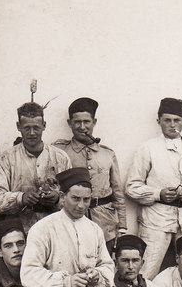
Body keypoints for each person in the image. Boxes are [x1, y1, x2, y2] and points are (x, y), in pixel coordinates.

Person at [125, 97, 182, 279]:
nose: (172, 125)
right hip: (156, 220)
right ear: (159, 121)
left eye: (177, 120)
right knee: (146, 270)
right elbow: (132, 186)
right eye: (167, 120)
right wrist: (158, 194)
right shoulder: (148, 149)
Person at [53, 97, 128, 251]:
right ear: (69, 123)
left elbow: (117, 192)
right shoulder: (60, 151)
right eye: (77, 122)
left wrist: (122, 227)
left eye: (86, 122)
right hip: (70, 220)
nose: (82, 127)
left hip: (104, 224)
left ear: (94, 122)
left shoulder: (107, 154)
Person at [0, 101, 72, 233]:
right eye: (27, 128)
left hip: (55, 230)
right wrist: (21, 198)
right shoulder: (7, 159)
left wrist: (57, 198)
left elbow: (73, 197)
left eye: (36, 127)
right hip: (20, 231)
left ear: (44, 125)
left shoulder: (61, 158)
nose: (32, 133)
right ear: (18, 126)